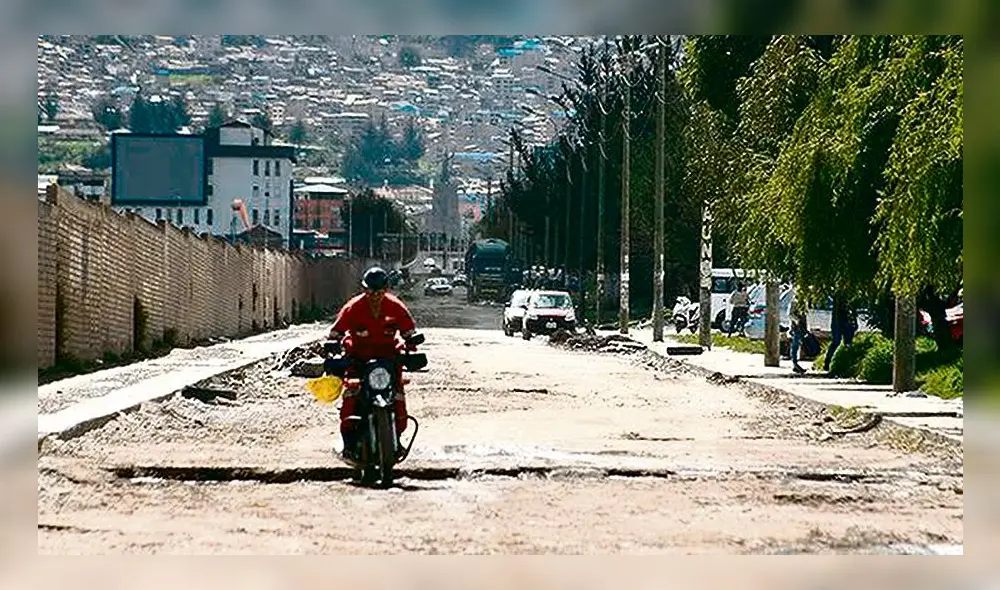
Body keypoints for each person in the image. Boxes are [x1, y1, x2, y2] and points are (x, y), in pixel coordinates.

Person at [327, 266, 418, 463]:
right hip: (358, 360)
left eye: (379, 291)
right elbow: (336, 332)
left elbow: (409, 332)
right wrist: (332, 348)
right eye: (370, 291)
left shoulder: (396, 307)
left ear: (386, 289)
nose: (375, 295)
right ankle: (349, 444)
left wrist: (411, 350)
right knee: (350, 396)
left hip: (388, 360)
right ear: (364, 289)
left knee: (398, 396)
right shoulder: (353, 308)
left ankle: (396, 438)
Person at [788, 292, 808, 374]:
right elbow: (790, 314)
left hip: (802, 327)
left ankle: (796, 363)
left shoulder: (803, 302)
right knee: (795, 345)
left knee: (798, 345)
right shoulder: (794, 301)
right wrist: (797, 320)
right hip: (796, 327)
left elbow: (805, 315)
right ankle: (794, 363)